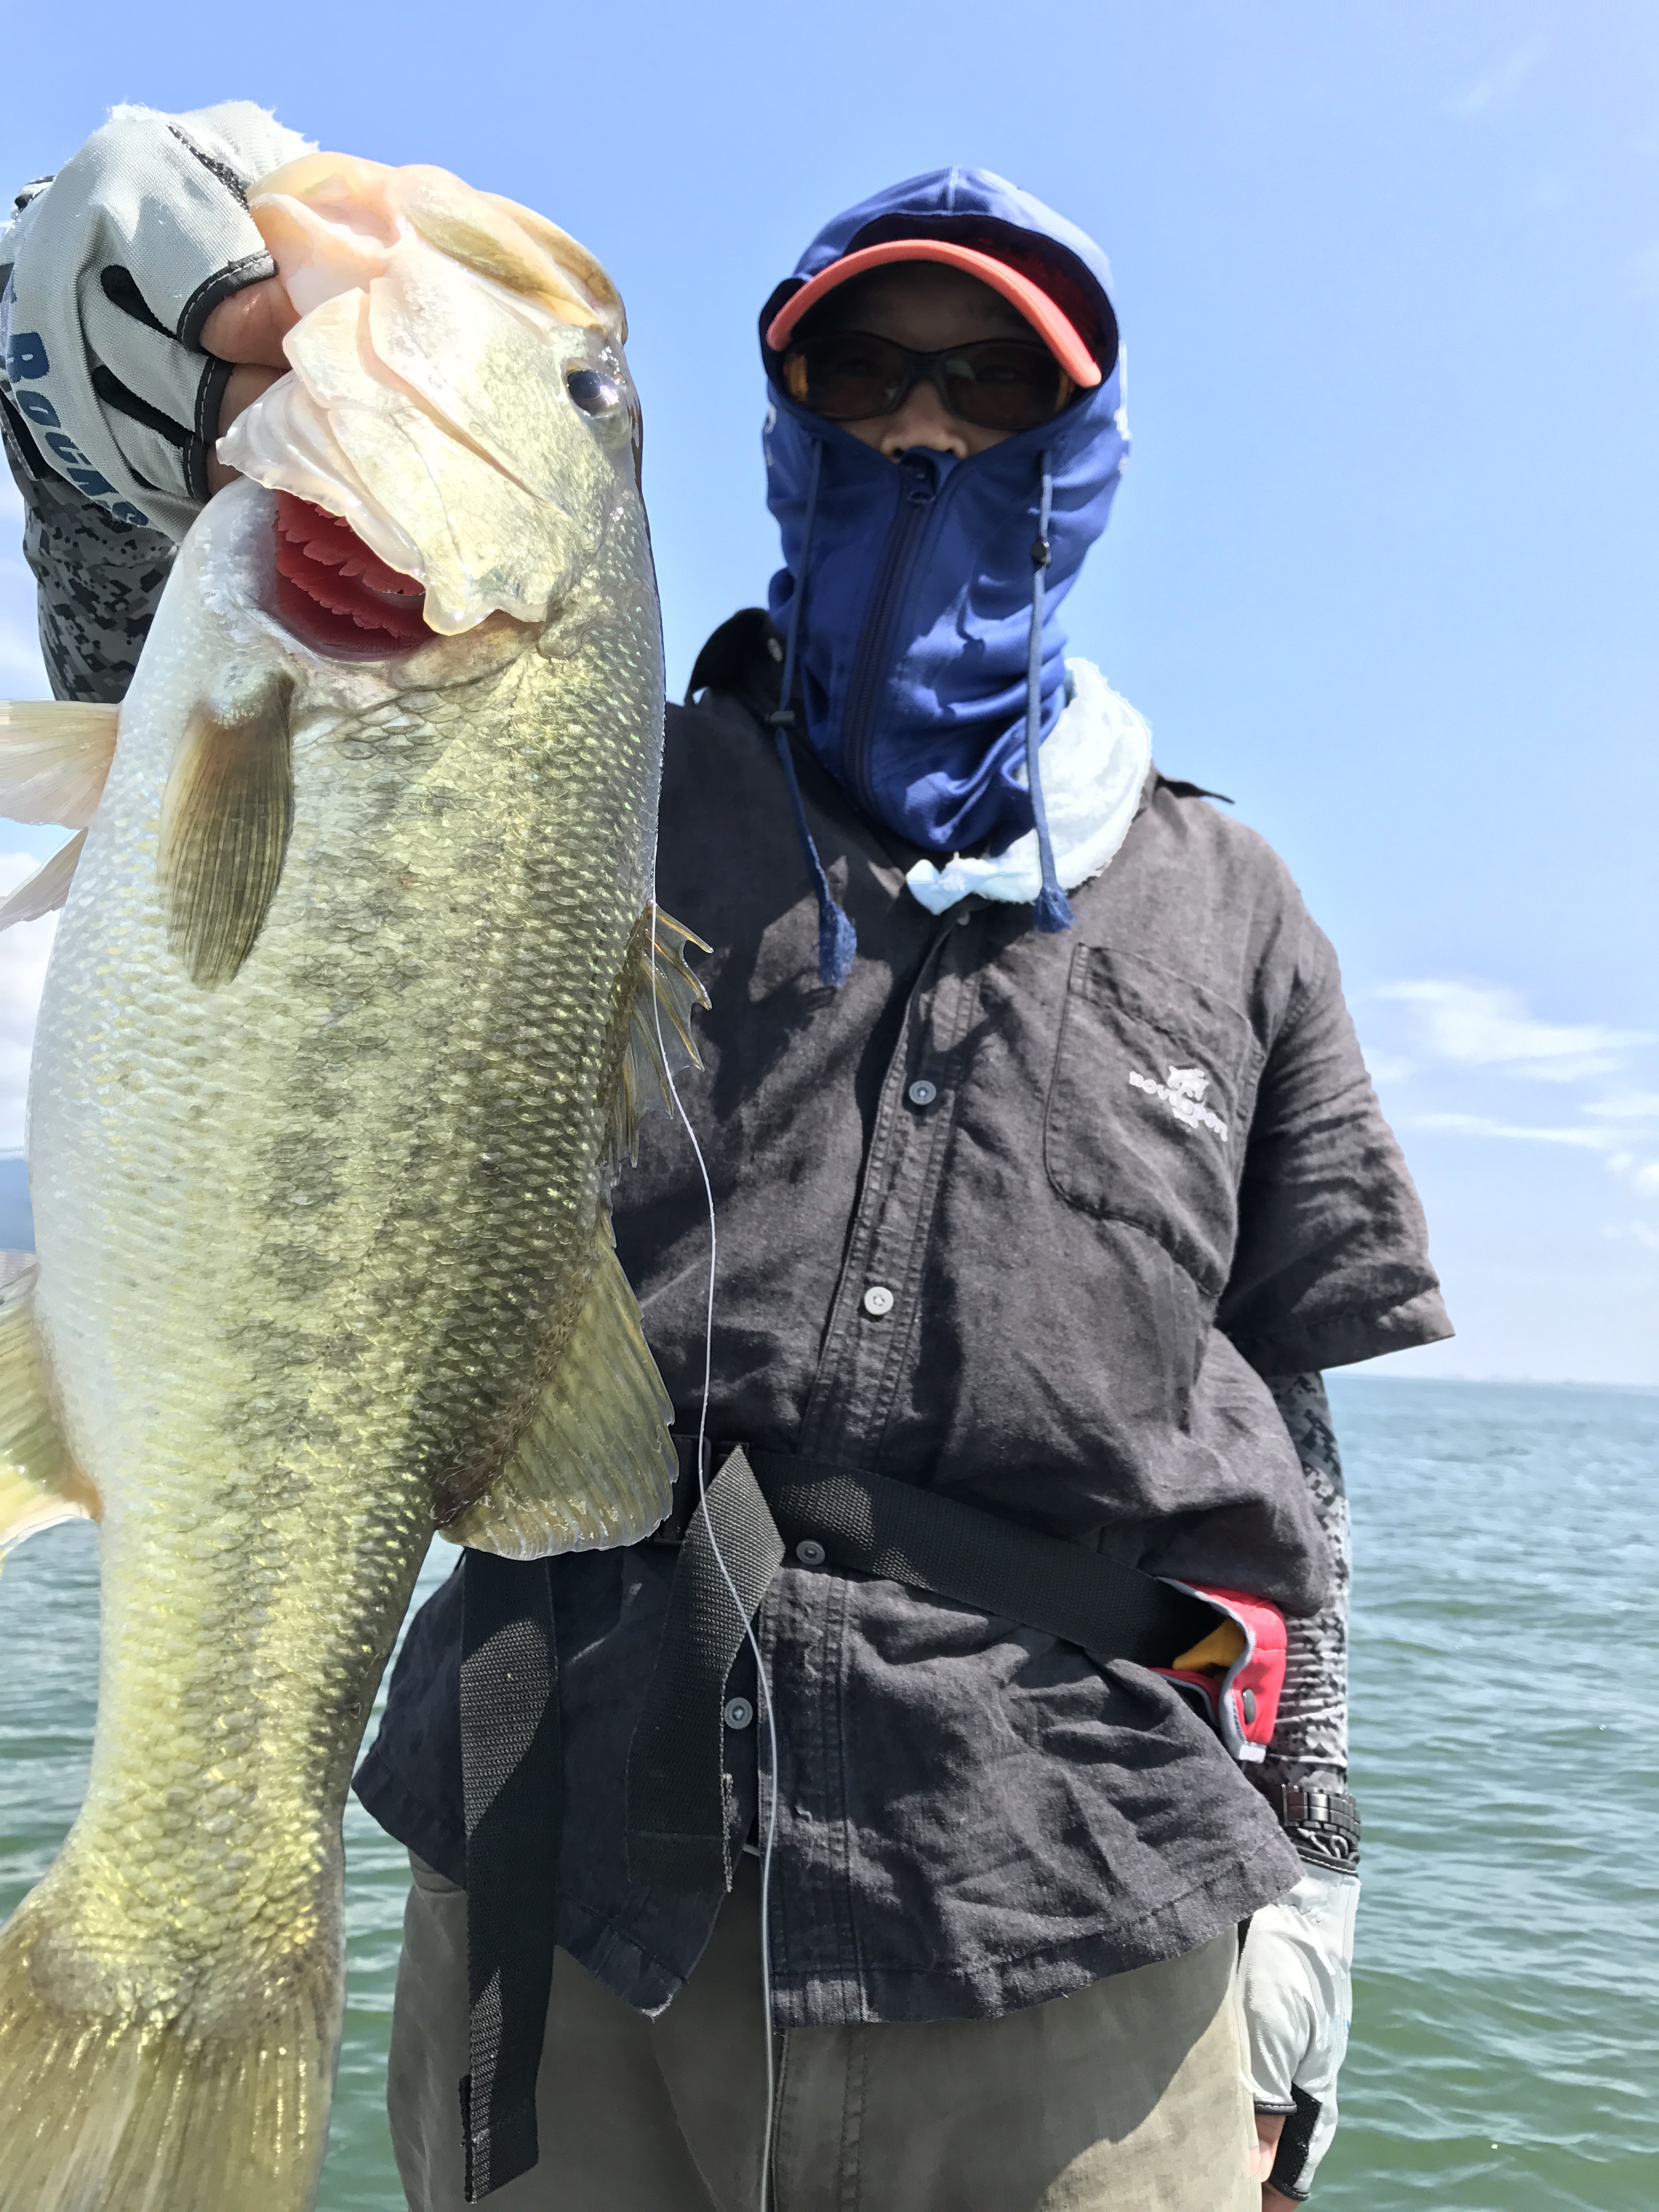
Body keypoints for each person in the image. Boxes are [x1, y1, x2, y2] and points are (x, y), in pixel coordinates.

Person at [0, 103, 1451, 2212]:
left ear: (1087, 452)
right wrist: (96, 379)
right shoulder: (594, 777)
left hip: (1087, 1925)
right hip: (572, 1897)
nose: (925, 432)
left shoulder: (1236, 908)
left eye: (996, 385)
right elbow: (214, 838)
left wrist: (1305, 1955)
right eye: (862, 376)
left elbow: (1295, 1473)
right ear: (781, 431)